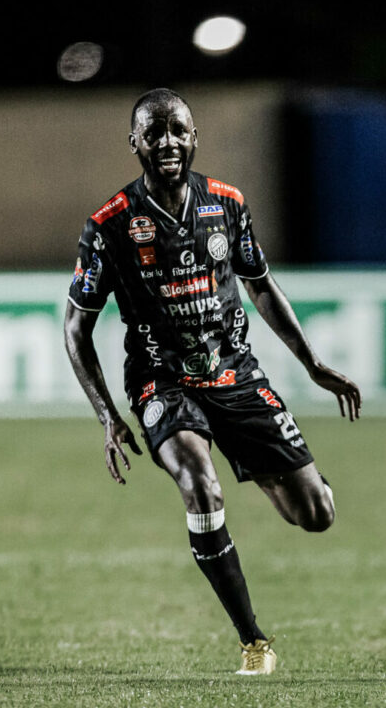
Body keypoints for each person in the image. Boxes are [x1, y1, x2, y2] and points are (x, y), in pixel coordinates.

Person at [64, 88, 361, 675]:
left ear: (195, 137)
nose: (169, 142)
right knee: (200, 486)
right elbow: (76, 329)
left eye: (179, 130)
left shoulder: (226, 203)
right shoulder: (110, 225)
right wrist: (105, 414)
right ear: (135, 144)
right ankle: (254, 640)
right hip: (160, 382)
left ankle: (264, 463)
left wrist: (311, 363)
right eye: (155, 133)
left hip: (236, 373)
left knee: (316, 514)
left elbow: (260, 285)